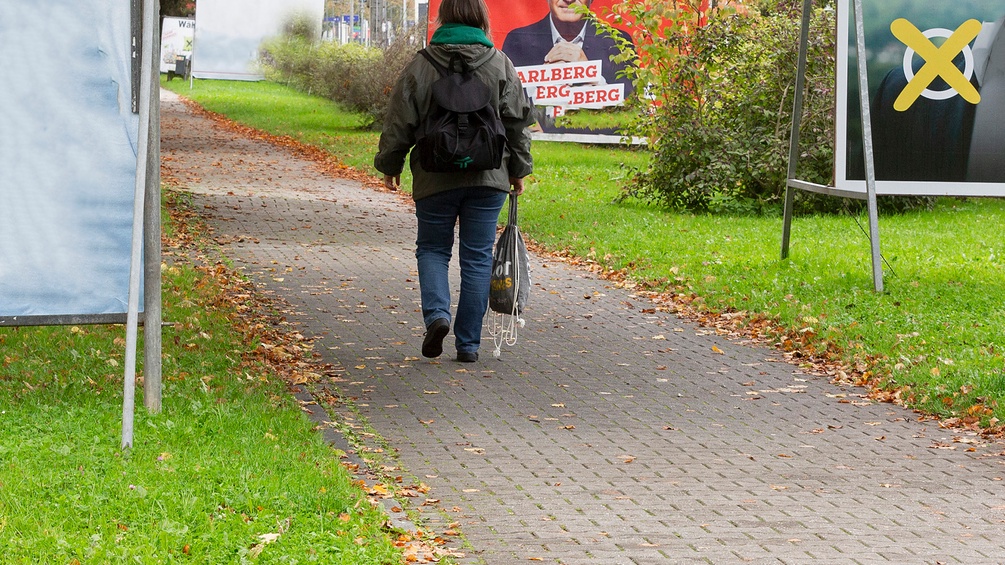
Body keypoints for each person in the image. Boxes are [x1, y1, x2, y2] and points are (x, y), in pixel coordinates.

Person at [374, 0, 534, 363]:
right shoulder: (499, 63)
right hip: (488, 176)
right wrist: (518, 169)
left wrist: (391, 163)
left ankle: (437, 316)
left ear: (443, 18)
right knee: (477, 258)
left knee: (432, 249)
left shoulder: (422, 64)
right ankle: (469, 345)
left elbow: (399, 119)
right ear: (481, 19)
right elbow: (517, 122)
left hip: (434, 175)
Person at [501, 0, 633, 91]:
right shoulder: (518, 40)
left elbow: (632, 112)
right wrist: (540, 79)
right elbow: (505, 106)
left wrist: (591, 76)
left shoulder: (618, 43)